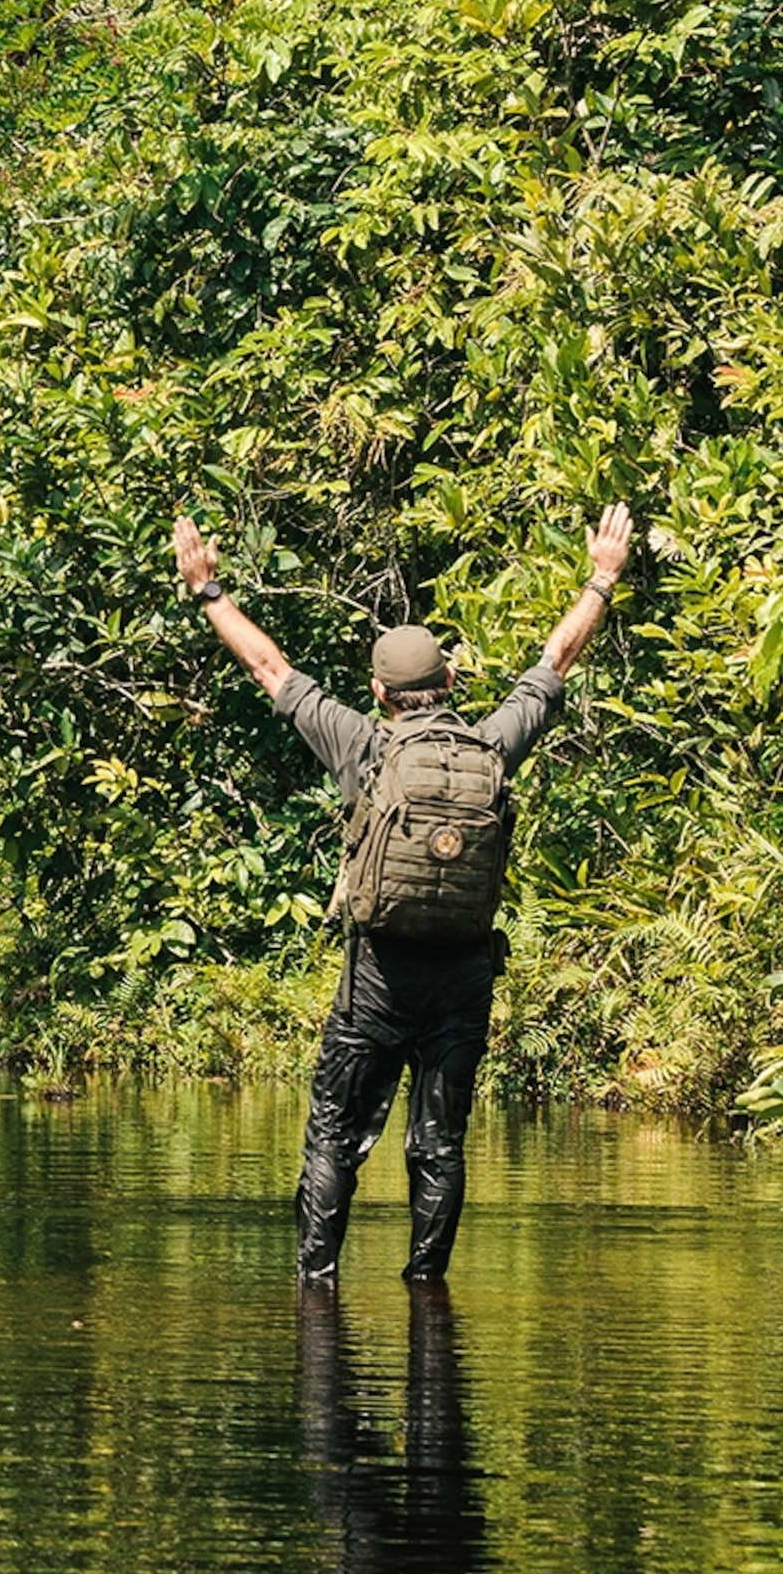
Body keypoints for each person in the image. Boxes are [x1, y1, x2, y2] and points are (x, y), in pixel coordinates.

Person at [170, 502, 635, 1285]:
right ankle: (427, 1291)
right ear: (450, 683)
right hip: (464, 977)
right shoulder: (492, 743)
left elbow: (270, 670)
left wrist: (210, 591)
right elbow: (555, 663)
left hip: (378, 978)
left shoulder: (361, 744)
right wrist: (601, 578)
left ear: (381, 694)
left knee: (333, 1138)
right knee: (439, 1143)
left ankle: (316, 1290)